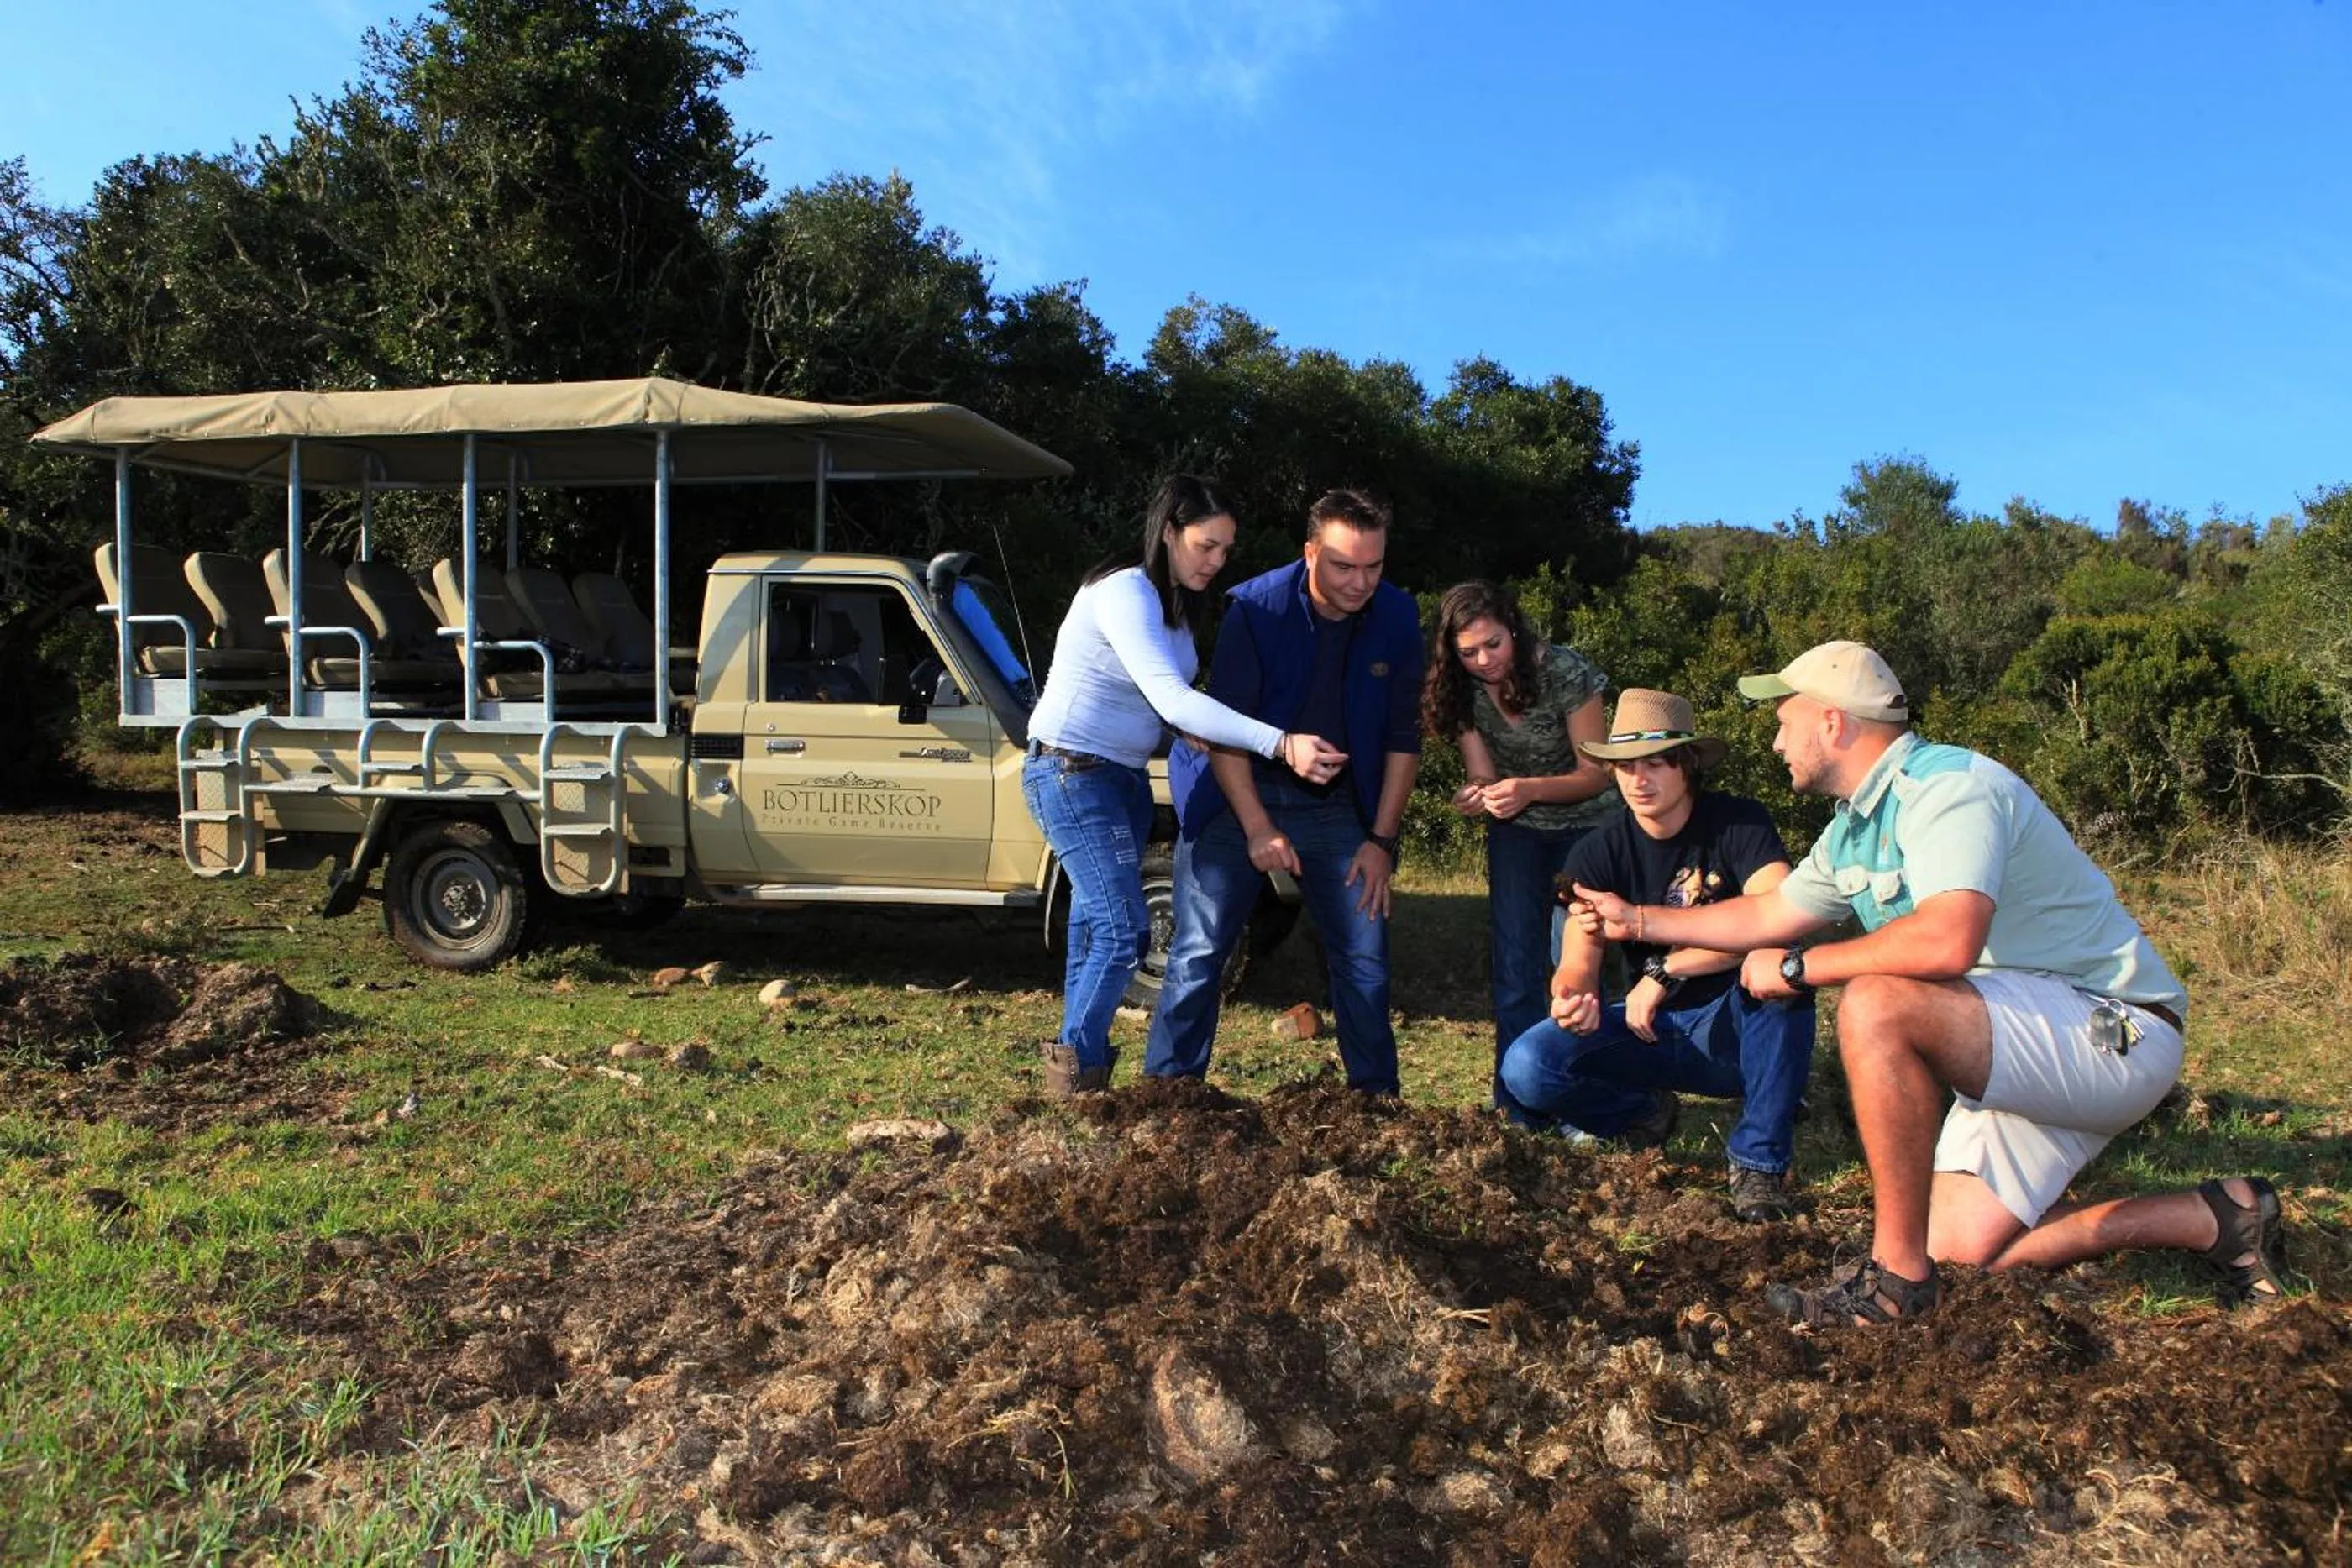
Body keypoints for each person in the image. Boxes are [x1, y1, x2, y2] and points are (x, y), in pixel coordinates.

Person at [1571, 641, 2289, 1326]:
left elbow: (1949, 939)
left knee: (1879, 1001)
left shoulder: (1948, 788)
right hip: (2021, 1047)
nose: (1776, 742)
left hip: (2111, 1031)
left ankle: (1893, 1282)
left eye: (1784, 720)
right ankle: (2217, 1217)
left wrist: (1796, 966)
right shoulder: (1855, 827)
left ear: (1832, 719)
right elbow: (1768, 910)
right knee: (1951, 1250)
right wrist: (1638, 921)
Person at [1022, 475, 1347, 1097]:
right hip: (1070, 772)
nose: (1217, 561)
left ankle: (1072, 1076)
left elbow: (1174, 708)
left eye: (1226, 550)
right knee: (1125, 930)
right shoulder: (1123, 592)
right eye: (1205, 545)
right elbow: (1170, 695)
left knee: (1095, 927)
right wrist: (1280, 742)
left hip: (1121, 778)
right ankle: (1077, 1076)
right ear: (1169, 529)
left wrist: (1205, 733)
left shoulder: (1172, 606)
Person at [1145, 488, 1425, 1095]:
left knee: (1365, 957)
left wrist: (1381, 839)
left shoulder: (1399, 617)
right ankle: (1166, 1096)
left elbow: (1405, 738)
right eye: (1344, 566)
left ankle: (1375, 1103)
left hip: (1338, 808)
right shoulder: (1256, 609)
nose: (1360, 583)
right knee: (1198, 953)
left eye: (1374, 566)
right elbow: (1224, 734)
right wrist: (1257, 828)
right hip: (1236, 792)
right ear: (1309, 553)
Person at [1498, 689, 1817, 1220]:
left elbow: (1781, 915)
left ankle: (1759, 1160)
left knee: (1781, 978)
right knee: (1528, 1066)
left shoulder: (1740, 823)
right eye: (1625, 767)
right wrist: (1570, 995)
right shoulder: (1598, 851)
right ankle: (1642, 1112)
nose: (1638, 781)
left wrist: (1666, 969)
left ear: (1687, 765)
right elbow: (1579, 955)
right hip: (1652, 1029)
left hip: (1735, 1025)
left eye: (1654, 764)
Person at [1422, 579, 1619, 1096]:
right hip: (1518, 833)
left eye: (1493, 644)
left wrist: (1528, 789)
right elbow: (1484, 775)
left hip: (1589, 828)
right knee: (1514, 966)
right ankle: (1515, 1097)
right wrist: (1478, 794)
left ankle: (1587, 1088)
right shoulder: (1459, 689)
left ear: (1513, 629)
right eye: (1468, 652)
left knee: (1576, 965)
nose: (1484, 660)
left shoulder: (1568, 672)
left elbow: (1596, 774)